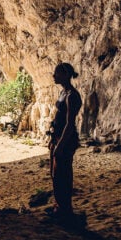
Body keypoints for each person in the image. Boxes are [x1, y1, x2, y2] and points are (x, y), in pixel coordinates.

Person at [48, 62, 82, 219]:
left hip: (65, 140)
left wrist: (60, 145)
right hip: (58, 137)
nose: (54, 76)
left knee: (63, 174)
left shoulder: (72, 96)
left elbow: (69, 124)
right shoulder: (63, 93)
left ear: (66, 75)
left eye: (57, 73)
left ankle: (65, 210)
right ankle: (59, 207)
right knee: (55, 174)